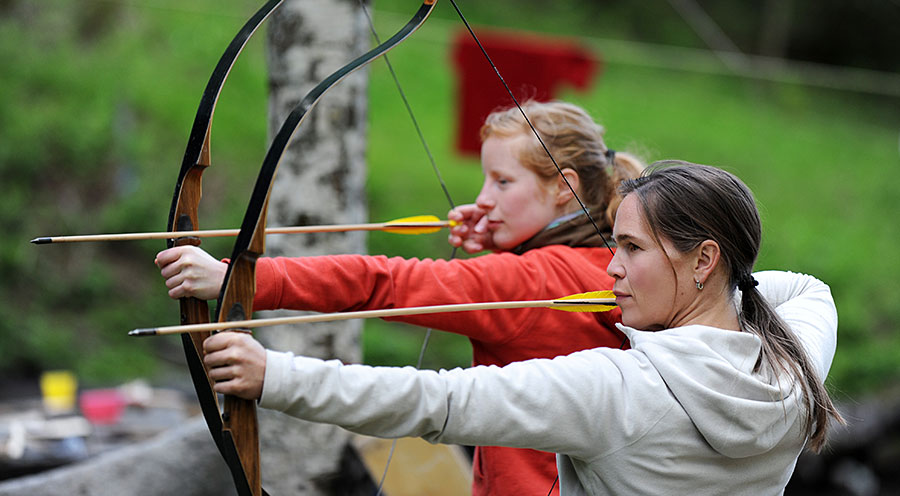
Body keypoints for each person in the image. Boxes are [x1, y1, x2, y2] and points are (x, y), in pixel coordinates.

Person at [199, 161, 843, 495]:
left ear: (704, 259)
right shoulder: (794, 362)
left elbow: (436, 401)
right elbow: (806, 288)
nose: (610, 268)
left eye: (632, 250)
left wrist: (275, 376)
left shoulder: (620, 388)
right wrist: (715, 295)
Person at [156, 100, 645, 496]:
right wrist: (507, 241)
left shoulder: (535, 280)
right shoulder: (610, 263)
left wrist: (235, 280)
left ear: (564, 188)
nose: (485, 197)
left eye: (502, 182)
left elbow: (383, 282)